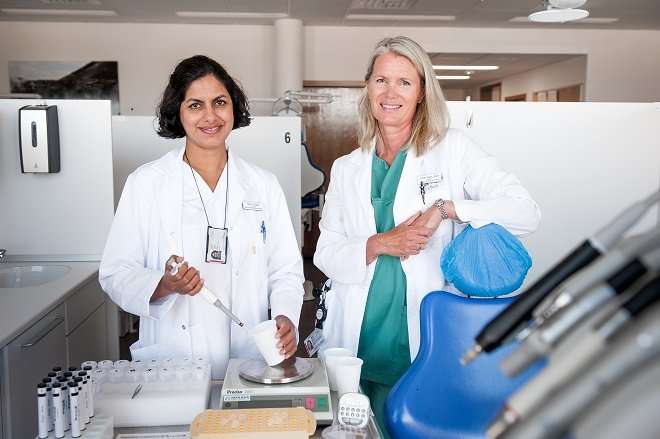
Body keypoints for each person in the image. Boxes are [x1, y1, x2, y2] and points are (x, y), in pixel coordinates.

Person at [313, 36, 541, 436]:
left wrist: (447, 209)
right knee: (357, 427)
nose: (390, 93)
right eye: (381, 80)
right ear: (367, 88)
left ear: (421, 92)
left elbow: (525, 212)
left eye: (404, 82)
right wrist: (380, 243)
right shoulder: (347, 167)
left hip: (425, 332)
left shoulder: (453, 150)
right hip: (357, 336)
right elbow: (325, 252)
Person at [100, 55, 304, 379]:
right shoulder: (146, 183)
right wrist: (163, 285)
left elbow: (285, 271)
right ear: (178, 113)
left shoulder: (263, 185)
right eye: (195, 105)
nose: (210, 116)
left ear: (233, 108)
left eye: (220, 102)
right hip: (174, 360)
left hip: (249, 354)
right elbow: (115, 273)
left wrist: (286, 317)